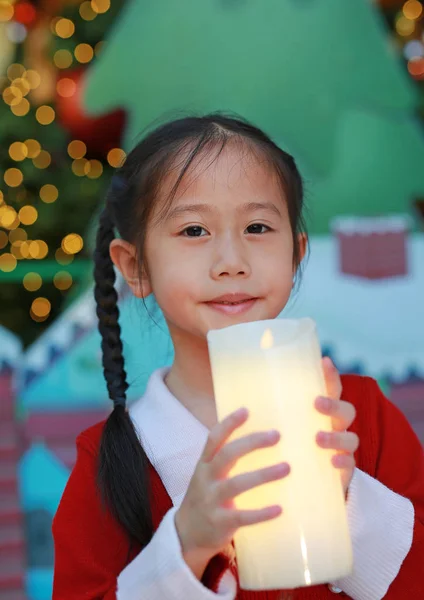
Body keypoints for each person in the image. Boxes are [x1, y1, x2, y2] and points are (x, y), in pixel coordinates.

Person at [52, 114, 424, 600]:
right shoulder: (109, 460)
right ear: (135, 266)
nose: (232, 261)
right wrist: (188, 541)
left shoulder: (360, 417)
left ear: (296, 253)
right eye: (193, 231)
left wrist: (349, 495)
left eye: (257, 226)